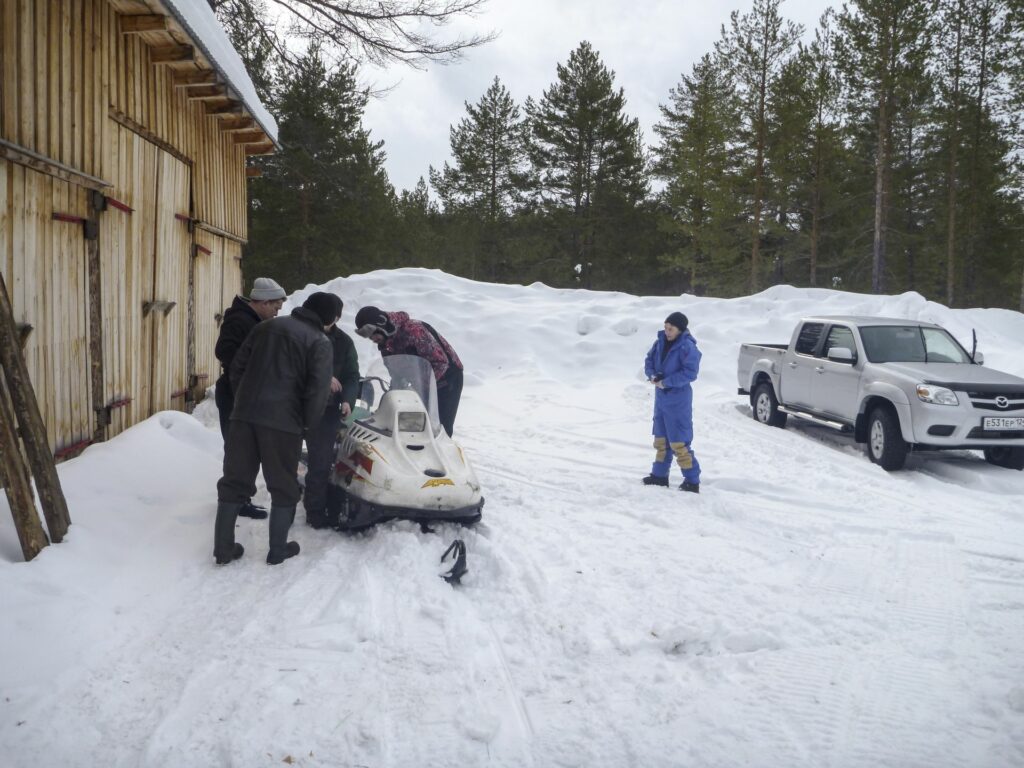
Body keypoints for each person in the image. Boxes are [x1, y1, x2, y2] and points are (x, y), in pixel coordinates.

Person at [213, 293, 335, 566]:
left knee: (234, 480)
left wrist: (243, 400)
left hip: (243, 416)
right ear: (328, 318)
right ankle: (277, 549)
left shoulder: (264, 327)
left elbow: (237, 367)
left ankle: (223, 549)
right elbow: (318, 391)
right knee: (283, 484)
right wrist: (306, 423)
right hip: (284, 422)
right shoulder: (319, 342)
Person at [213, 277, 287, 519]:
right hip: (236, 392)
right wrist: (248, 369)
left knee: (244, 448)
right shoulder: (240, 321)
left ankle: (239, 498)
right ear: (263, 302)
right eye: (275, 307)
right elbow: (224, 350)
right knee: (238, 448)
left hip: (245, 391)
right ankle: (235, 502)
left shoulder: (252, 320)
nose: (277, 313)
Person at [354, 306, 464, 437]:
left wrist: (420, 386)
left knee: (438, 427)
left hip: (447, 379)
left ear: (381, 325)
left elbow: (440, 363)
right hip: (420, 384)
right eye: (368, 337)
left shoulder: (414, 331)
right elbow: (395, 372)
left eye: (372, 333)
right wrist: (390, 398)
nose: (372, 339)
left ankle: (440, 451)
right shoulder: (385, 343)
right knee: (412, 424)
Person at [303, 293, 360, 530]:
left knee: (321, 461)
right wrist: (323, 377)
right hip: (293, 406)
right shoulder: (299, 334)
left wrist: (348, 400)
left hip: (326, 410)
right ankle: (282, 507)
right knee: (284, 460)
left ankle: (315, 511)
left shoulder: (344, 342)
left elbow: (351, 375)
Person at [642, 311, 702, 493]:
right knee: (661, 439)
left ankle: (692, 480)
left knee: (679, 442)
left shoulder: (687, 347)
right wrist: (653, 375)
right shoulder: (659, 342)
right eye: (666, 327)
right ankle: (659, 476)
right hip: (661, 398)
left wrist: (666, 382)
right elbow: (649, 360)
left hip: (678, 399)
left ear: (680, 329)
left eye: (671, 329)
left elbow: (690, 373)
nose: (667, 332)